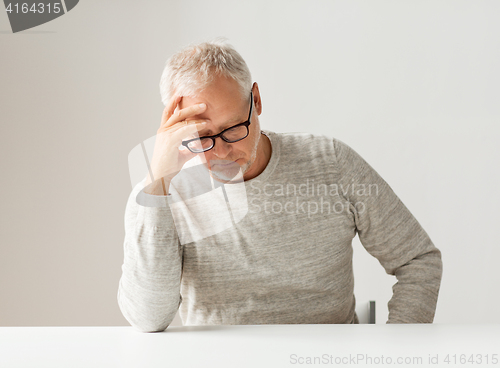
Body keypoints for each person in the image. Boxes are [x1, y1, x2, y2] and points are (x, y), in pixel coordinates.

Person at [117, 39, 443, 332]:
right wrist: (157, 182)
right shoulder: (159, 196)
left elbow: (417, 259)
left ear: (256, 101)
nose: (220, 151)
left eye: (233, 129)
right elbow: (149, 318)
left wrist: (401, 349)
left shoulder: (330, 162)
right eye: (201, 137)